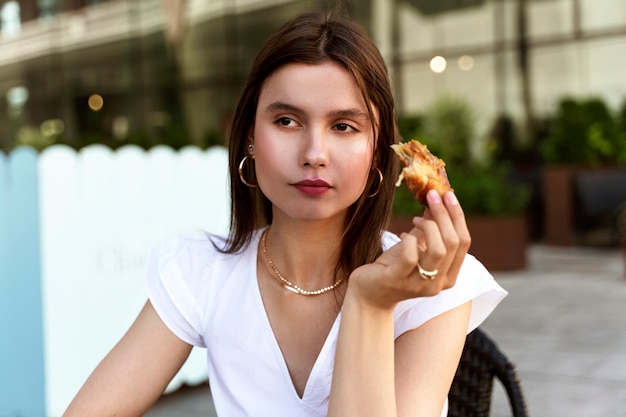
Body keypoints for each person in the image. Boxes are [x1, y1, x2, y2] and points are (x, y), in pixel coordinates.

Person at [63, 9, 506, 417]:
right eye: (287, 121)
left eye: (344, 126)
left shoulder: (436, 288)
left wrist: (369, 303)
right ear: (250, 139)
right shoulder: (202, 272)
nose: (314, 153)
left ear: (377, 151)